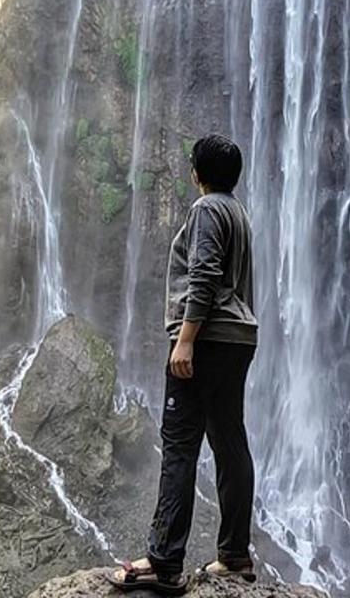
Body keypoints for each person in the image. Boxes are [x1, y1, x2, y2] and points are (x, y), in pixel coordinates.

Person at [108, 134, 260, 596]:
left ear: (198, 173)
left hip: (207, 339)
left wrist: (186, 341)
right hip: (236, 337)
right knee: (230, 440)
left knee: (179, 443)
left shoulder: (207, 210)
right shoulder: (238, 212)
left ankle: (163, 561)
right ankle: (234, 553)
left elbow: (205, 274)